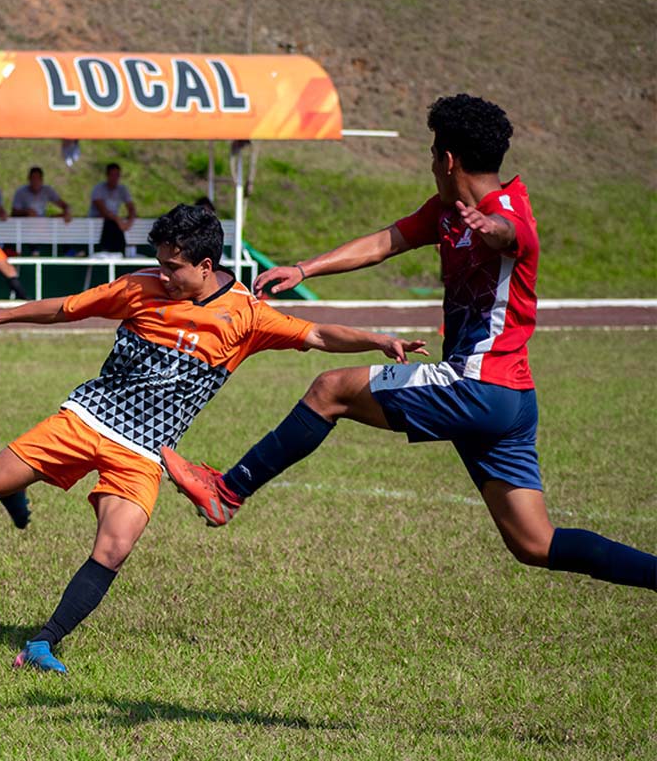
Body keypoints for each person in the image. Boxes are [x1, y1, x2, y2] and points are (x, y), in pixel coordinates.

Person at [160, 94, 656, 592]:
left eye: (432, 154)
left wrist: (493, 229)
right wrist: (305, 269)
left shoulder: (506, 208)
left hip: (477, 384)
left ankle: (228, 491)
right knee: (534, 543)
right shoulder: (447, 210)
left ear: (447, 159)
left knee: (329, 389)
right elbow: (385, 241)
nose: (431, 165)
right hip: (508, 398)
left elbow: (515, 235)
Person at [0, 204, 429, 673]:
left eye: (173, 267)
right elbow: (67, 308)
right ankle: (15, 485)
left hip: (146, 451)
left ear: (206, 267)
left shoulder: (245, 316)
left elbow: (318, 334)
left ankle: (43, 644)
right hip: (88, 417)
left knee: (115, 547)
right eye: (160, 264)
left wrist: (377, 339)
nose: (162, 275)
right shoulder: (138, 288)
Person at [89, 163, 137, 253]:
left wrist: (129, 222)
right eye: (112, 175)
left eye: (117, 175)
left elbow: (131, 208)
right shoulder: (98, 189)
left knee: (114, 225)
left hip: (115, 226)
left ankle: (119, 252)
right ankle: (110, 251)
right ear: (107, 175)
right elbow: (102, 211)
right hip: (98, 226)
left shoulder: (122, 189)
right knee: (111, 223)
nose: (115, 178)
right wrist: (118, 220)